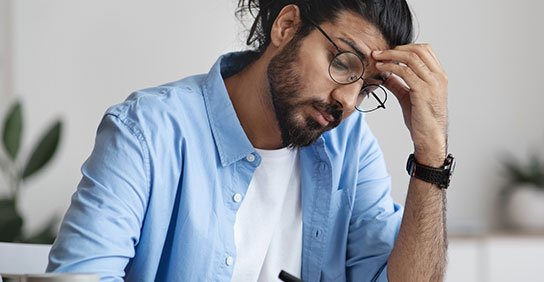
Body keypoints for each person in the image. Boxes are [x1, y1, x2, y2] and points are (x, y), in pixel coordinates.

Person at [47, 0, 454, 281]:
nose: (346, 101)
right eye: (343, 63)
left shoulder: (351, 146)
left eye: (367, 87)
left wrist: (431, 156)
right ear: (287, 26)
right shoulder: (147, 131)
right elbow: (79, 277)